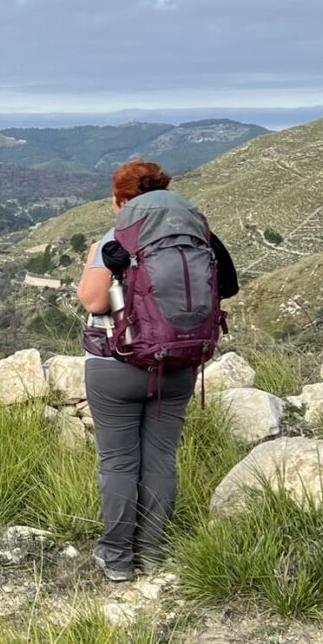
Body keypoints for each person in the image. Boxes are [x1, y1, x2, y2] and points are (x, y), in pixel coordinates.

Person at [76, 162, 238, 582]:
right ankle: (153, 553)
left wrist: (95, 260)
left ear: (120, 200)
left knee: (118, 464)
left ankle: (116, 558)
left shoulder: (116, 238)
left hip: (117, 367)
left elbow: (93, 302)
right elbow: (227, 287)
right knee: (162, 461)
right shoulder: (195, 237)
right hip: (179, 365)